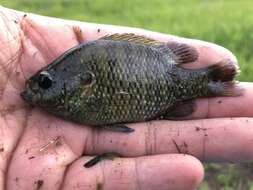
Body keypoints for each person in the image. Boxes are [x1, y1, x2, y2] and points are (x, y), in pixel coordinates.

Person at [0, 7, 253, 190]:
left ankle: (215, 80)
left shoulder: (81, 94)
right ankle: (218, 81)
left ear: (83, 84)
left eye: (46, 82)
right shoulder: (75, 84)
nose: (36, 89)